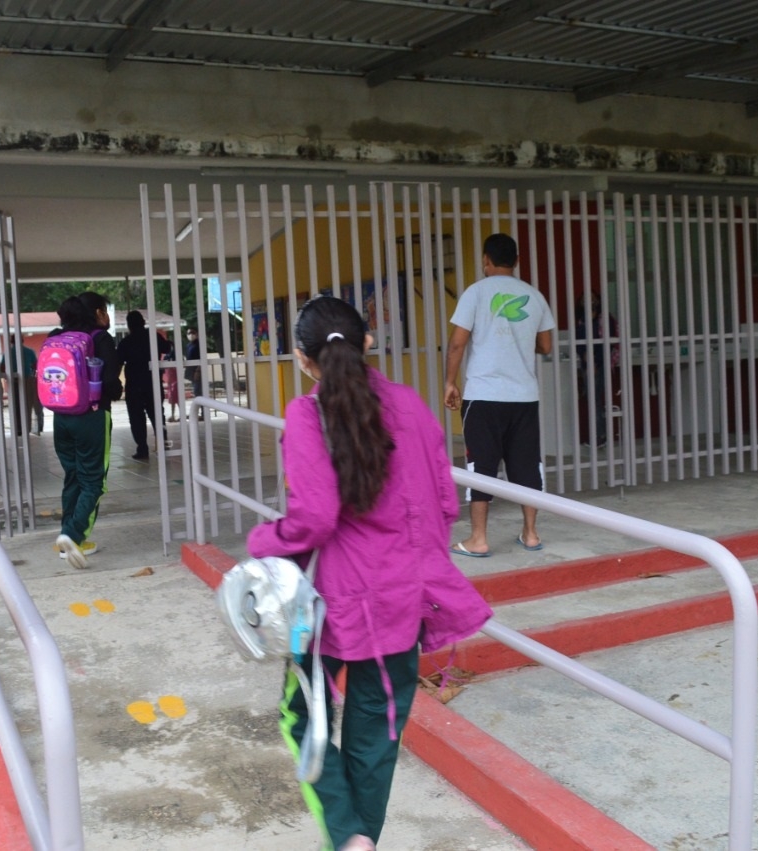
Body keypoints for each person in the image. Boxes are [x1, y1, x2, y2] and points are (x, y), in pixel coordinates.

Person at [247, 296, 492, 851]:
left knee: (300, 716)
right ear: (369, 344)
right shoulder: (409, 404)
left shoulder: (306, 414)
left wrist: (263, 542)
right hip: (403, 602)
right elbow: (444, 504)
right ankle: (362, 842)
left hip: (332, 606)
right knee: (375, 738)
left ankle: (347, 834)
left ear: (302, 359)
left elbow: (314, 517)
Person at [442, 233, 556, 557]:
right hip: (524, 396)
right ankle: (531, 533)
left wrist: (450, 382)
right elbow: (546, 345)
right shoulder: (534, 296)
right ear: (516, 261)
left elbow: (457, 343)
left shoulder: (475, 293)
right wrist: (519, 342)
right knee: (526, 463)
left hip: (484, 396)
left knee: (482, 465)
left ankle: (478, 539)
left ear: (485, 260)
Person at [51, 295, 122, 569]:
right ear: (93, 313)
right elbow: (111, 383)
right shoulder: (100, 338)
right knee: (94, 481)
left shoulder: (56, 337)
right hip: (92, 418)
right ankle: (73, 535)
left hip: (60, 418)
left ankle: (65, 535)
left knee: (73, 476)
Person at [116, 309, 170, 460]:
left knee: (136, 417)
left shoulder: (126, 342)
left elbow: (118, 363)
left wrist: (115, 381)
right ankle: (162, 444)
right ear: (143, 322)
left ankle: (142, 448)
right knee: (157, 414)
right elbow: (167, 348)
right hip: (152, 381)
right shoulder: (154, 337)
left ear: (128, 325)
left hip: (134, 384)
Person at [574, 290, 620, 448]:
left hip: (599, 364)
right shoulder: (581, 320)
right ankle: (598, 435)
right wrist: (585, 356)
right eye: (585, 300)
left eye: (592, 299)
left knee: (595, 401)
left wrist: (594, 362)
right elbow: (580, 342)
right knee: (592, 400)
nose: (589, 302)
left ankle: (600, 436)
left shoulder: (603, 319)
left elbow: (606, 342)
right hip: (587, 364)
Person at [1, 338, 41, 436]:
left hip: (13, 381)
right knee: (27, 405)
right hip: (27, 381)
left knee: (16, 406)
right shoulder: (29, 351)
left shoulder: (8, 353)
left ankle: (17, 428)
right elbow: (36, 366)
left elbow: (2, 368)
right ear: (22, 340)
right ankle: (27, 428)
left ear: (11, 342)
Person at [184, 326, 203, 419]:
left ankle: (202, 413)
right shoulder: (189, 345)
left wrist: (198, 371)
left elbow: (201, 359)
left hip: (197, 371)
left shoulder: (198, 345)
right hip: (191, 371)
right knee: (197, 392)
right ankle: (198, 413)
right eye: (188, 333)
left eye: (192, 332)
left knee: (199, 392)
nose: (190, 335)